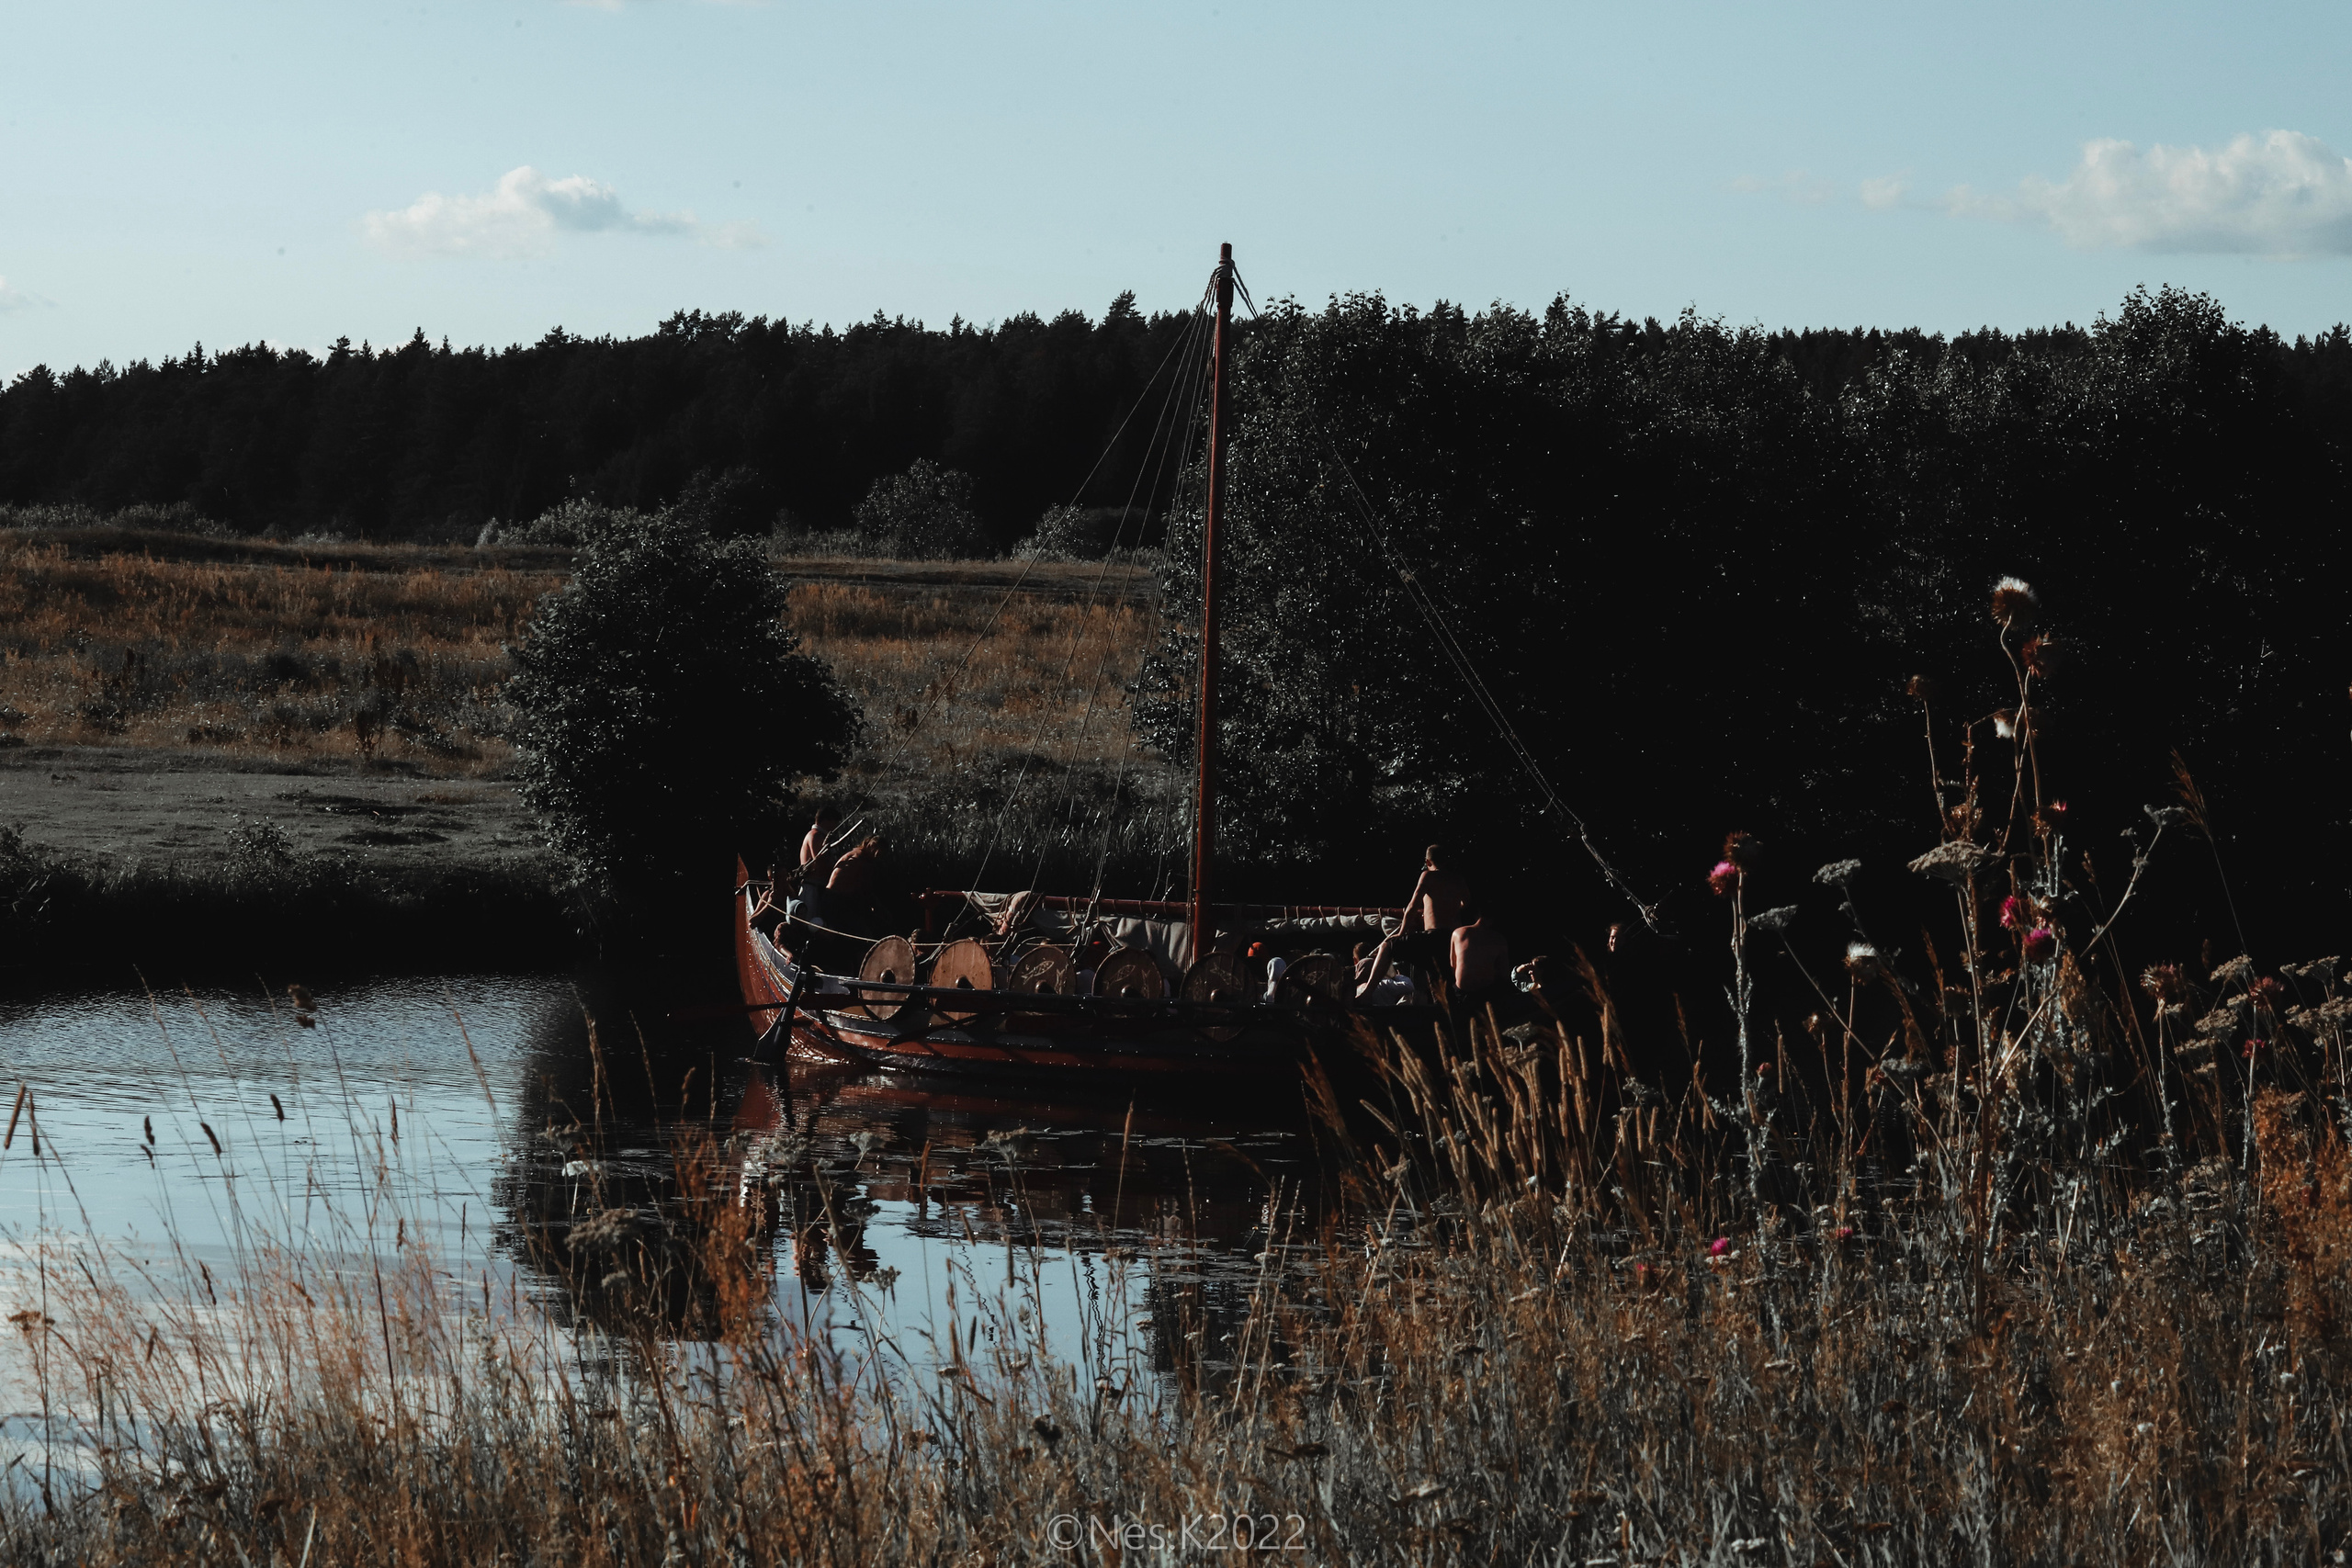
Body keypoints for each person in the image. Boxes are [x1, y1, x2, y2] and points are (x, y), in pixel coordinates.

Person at [1451, 908, 1510, 998]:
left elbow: (1452, 963)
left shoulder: (1458, 933)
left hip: (1462, 989)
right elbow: (1504, 972)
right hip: (1485, 989)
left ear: (1477, 915)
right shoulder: (1499, 939)